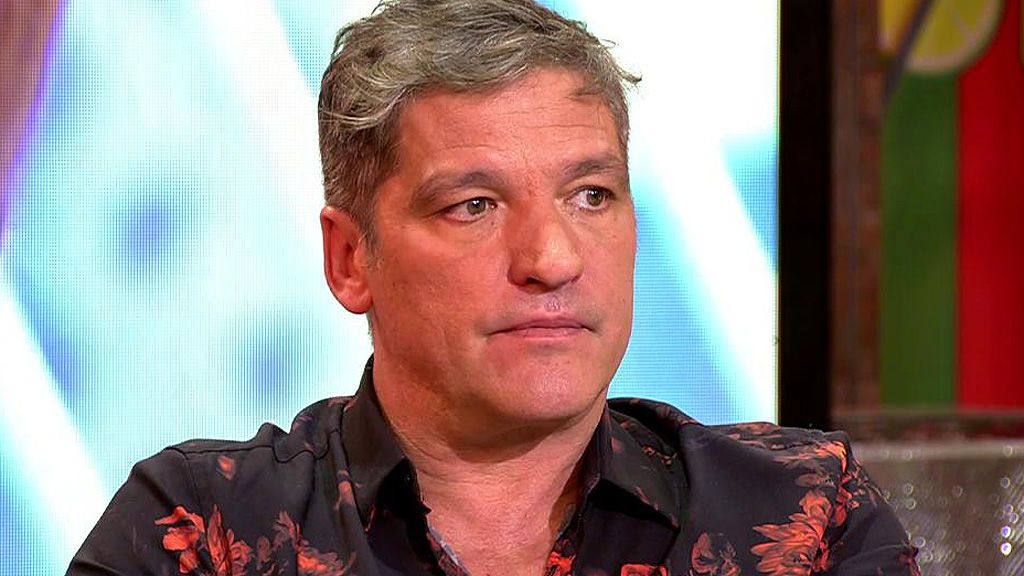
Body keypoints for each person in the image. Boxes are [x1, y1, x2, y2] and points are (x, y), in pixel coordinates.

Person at [67, 1, 919, 575]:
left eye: (592, 195)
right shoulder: (201, 533)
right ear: (350, 259)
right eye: (473, 205)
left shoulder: (805, 514)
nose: (552, 258)